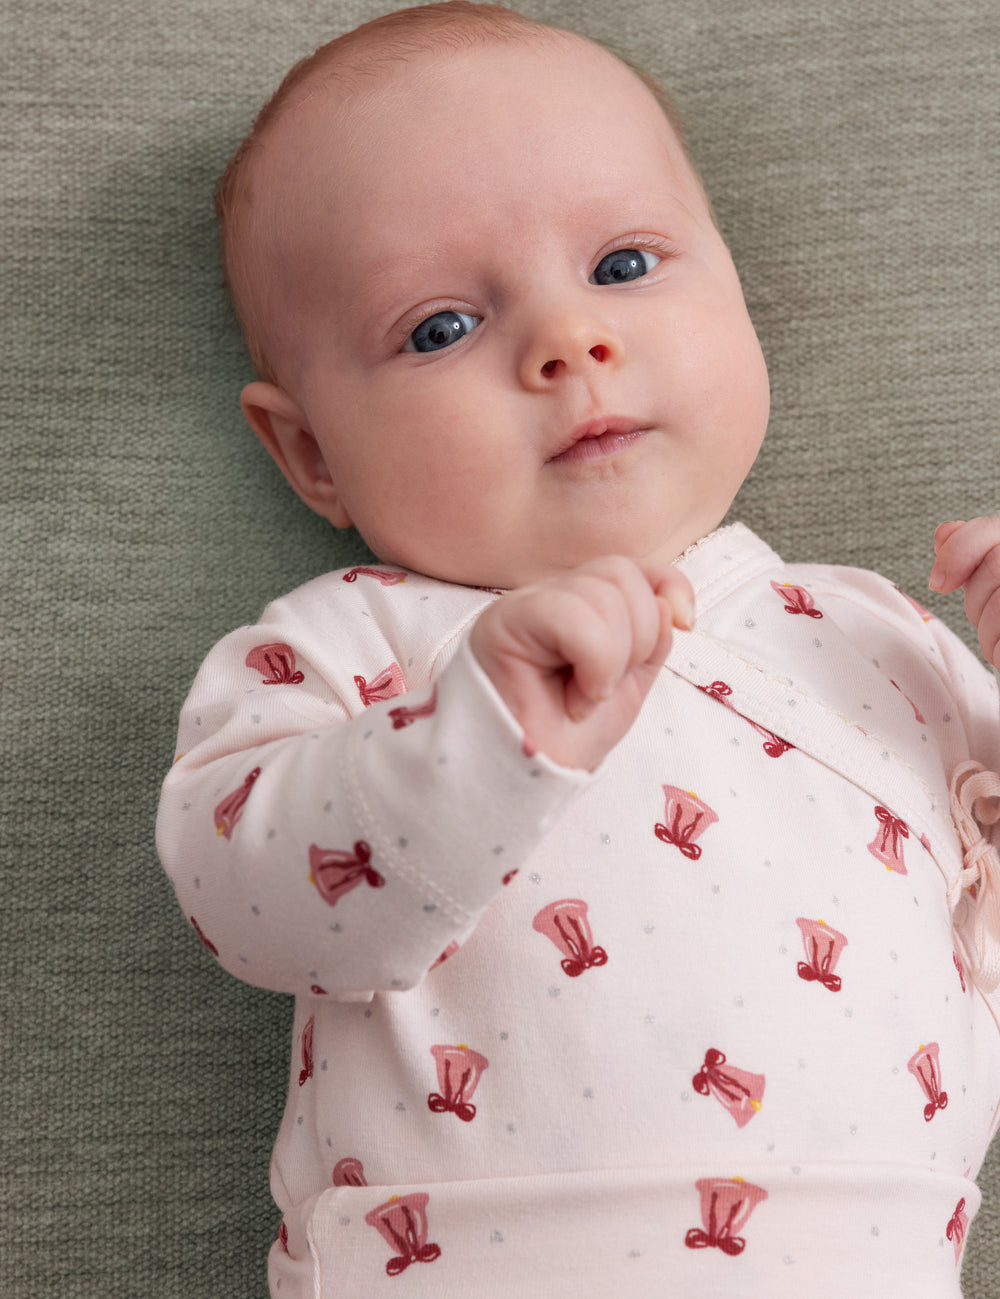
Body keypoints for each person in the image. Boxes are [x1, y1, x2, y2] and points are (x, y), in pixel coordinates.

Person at [156, 3, 1000, 1294]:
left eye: (622, 267)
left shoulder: (879, 637)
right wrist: (475, 736)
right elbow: (253, 909)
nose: (570, 342)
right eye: (440, 327)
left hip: (874, 1251)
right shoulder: (352, 646)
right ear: (313, 451)